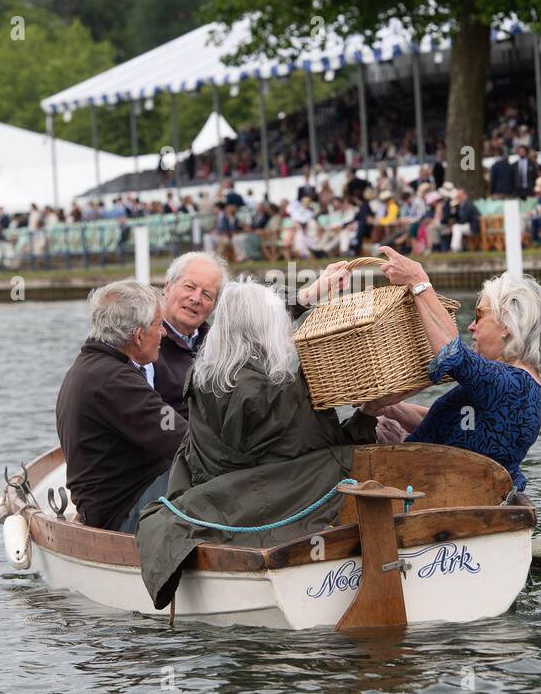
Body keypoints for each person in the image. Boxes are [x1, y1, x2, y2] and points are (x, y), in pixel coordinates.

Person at [135, 278, 379, 610]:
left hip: (215, 498)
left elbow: (247, 323)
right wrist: (369, 414)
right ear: (270, 329)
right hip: (269, 506)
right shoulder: (283, 391)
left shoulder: (202, 379)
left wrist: (306, 296)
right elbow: (324, 453)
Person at [366, 247, 541, 494]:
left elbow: (452, 354)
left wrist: (418, 281)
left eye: (479, 316)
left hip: (434, 496)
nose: (471, 326)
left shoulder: (510, 383)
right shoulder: (518, 384)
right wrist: (391, 408)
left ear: (507, 324)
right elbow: (450, 425)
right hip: (453, 487)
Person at [55, 280, 188, 534]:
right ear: (138, 336)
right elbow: (184, 439)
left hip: (110, 505)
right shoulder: (114, 381)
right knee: (214, 472)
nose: (164, 334)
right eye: (159, 325)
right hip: (122, 514)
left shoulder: (93, 367)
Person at [152, 251, 228, 419]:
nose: (196, 298)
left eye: (207, 294)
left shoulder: (219, 345)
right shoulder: (143, 342)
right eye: (189, 287)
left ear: (215, 306)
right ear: (168, 287)